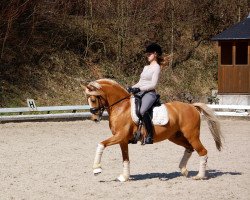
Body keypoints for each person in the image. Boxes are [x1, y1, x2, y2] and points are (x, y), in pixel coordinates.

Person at [128, 43, 163, 144]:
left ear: (155, 54)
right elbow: (140, 82)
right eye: (147, 54)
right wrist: (132, 87)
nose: (147, 56)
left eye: (149, 54)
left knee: (142, 111)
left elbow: (153, 85)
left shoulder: (156, 67)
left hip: (150, 94)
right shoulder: (146, 67)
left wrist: (139, 89)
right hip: (141, 92)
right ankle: (134, 134)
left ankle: (150, 135)